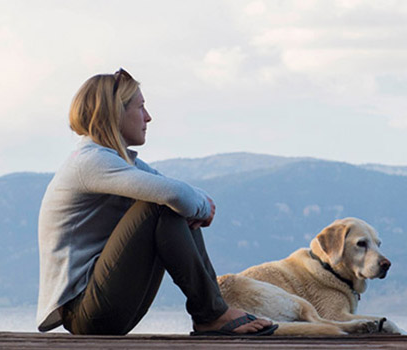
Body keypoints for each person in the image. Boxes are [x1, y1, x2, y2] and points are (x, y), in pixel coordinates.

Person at [36, 68, 277, 336]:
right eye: (140, 107)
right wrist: (200, 206)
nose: (148, 117)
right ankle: (211, 314)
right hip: (86, 312)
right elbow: (172, 194)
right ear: (115, 113)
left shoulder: (116, 161)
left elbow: (174, 189)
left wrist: (197, 204)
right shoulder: (90, 162)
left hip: (105, 306)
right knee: (159, 206)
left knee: (169, 205)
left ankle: (213, 311)